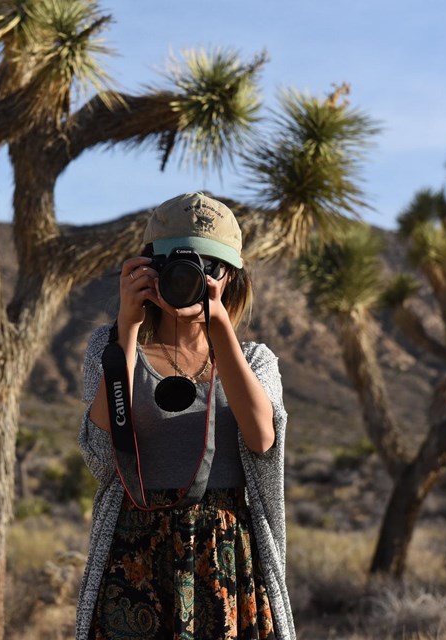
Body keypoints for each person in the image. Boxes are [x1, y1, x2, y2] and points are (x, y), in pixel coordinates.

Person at [76, 192, 295, 640]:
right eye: (172, 266)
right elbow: (99, 455)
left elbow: (262, 439)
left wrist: (220, 329)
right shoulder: (110, 347)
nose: (191, 278)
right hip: (134, 553)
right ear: (146, 269)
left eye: (209, 267)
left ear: (230, 276)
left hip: (228, 558)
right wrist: (128, 329)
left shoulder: (254, 360)